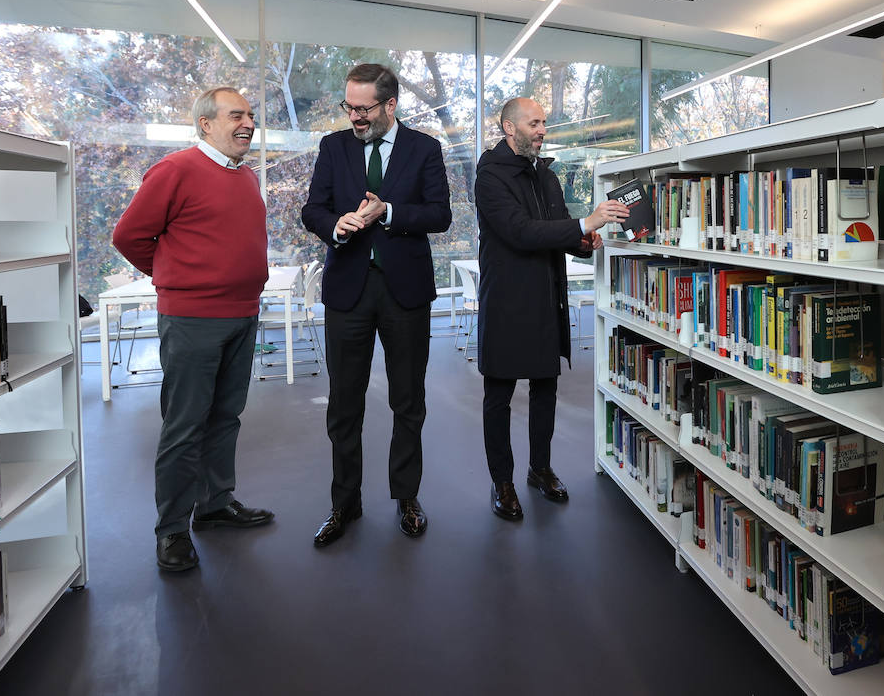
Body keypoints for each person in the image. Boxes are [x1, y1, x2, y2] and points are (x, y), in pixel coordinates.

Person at [111, 87, 274, 573]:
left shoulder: (244, 177)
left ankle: (216, 504)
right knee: (185, 426)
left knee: (226, 416)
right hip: (193, 320)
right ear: (206, 124)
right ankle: (172, 530)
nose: (248, 123)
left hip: (243, 315)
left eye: (251, 116)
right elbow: (128, 236)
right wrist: (174, 276)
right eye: (236, 115)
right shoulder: (175, 170)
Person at [301, 63, 451, 546]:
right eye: (349, 107)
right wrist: (335, 226)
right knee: (344, 403)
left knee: (408, 400)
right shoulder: (333, 147)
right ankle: (344, 502)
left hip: (405, 291)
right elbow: (312, 209)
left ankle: (407, 497)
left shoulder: (425, 148)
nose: (355, 117)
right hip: (347, 289)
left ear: (390, 105)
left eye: (363, 108)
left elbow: (440, 214)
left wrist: (389, 212)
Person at [475, 97, 629, 520]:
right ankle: (502, 482)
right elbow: (519, 232)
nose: (543, 130)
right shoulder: (489, 176)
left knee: (546, 389)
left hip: (546, 296)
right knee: (499, 395)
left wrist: (582, 242)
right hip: (507, 302)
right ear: (509, 128)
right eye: (534, 123)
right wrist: (582, 224)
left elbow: (554, 229)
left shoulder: (546, 175)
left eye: (544, 122)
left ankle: (539, 469)